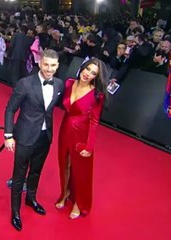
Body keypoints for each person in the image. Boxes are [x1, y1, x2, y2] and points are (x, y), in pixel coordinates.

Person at [4, 49, 64, 231]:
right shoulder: (25, 84)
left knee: (36, 171)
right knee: (18, 176)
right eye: (46, 64)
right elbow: (10, 109)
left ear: (58, 66)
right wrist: (8, 135)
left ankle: (31, 199)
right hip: (24, 136)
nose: (49, 69)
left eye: (53, 65)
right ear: (40, 63)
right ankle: (15, 212)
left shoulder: (60, 84)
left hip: (45, 137)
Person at [55, 58, 107, 219]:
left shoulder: (97, 94)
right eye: (87, 69)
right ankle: (65, 193)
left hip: (82, 135)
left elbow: (95, 121)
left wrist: (89, 146)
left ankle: (79, 202)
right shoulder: (69, 83)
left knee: (81, 170)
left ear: (96, 77)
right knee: (64, 164)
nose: (88, 74)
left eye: (93, 73)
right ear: (82, 67)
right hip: (64, 129)